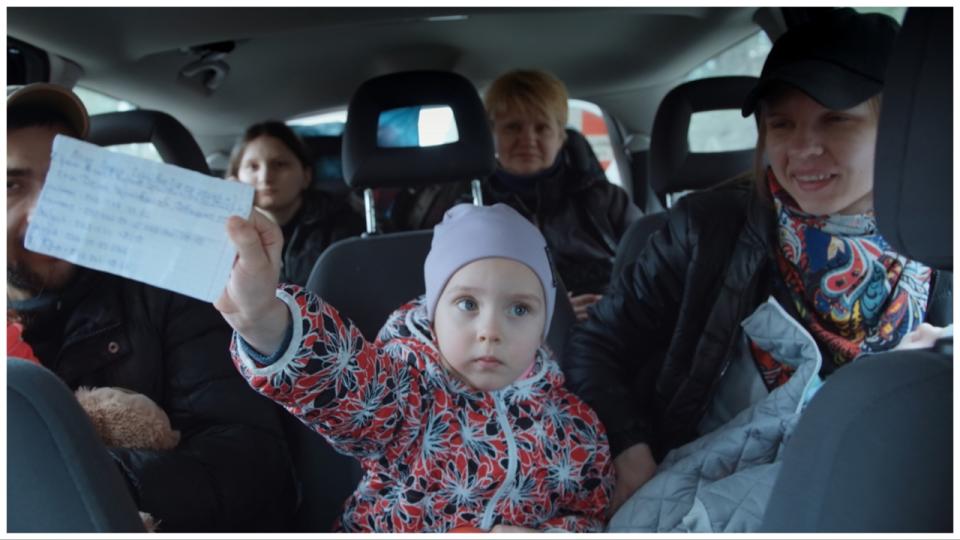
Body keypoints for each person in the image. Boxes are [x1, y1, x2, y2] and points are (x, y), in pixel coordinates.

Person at [561, 8, 952, 526]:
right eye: (781, 124)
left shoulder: (940, 245)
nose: (804, 148)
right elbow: (598, 346)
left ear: (897, 125)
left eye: (836, 118)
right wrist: (630, 449)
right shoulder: (705, 230)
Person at [215, 203, 614, 532]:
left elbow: (590, 514)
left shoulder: (573, 426)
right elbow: (341, 381)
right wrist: (263, 318)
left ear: (546, 321)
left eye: (520, 309)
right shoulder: (405, 389)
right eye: (468, 304)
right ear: (434, 311)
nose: (490, 330)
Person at [7, 83, 297, 532]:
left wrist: (87, 477)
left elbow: (253, 464)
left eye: (68, 181)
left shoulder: (173, 290)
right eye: (11, 184)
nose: (45, 209)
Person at [385, 70, 641, 321]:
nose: (528, 139)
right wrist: (553, 314)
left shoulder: (606, 200)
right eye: (513, 128)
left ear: (561, 136)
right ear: (491, 135)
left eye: (542, 128)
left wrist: (611, 305)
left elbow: (647, 271)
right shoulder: (464, 208)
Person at [226, 121, 363, 286]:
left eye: (279, 164)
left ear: (306, 176)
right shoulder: (226, 233)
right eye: (253, 167)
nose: (265, 177)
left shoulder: (344, 227)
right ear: (236, 177)